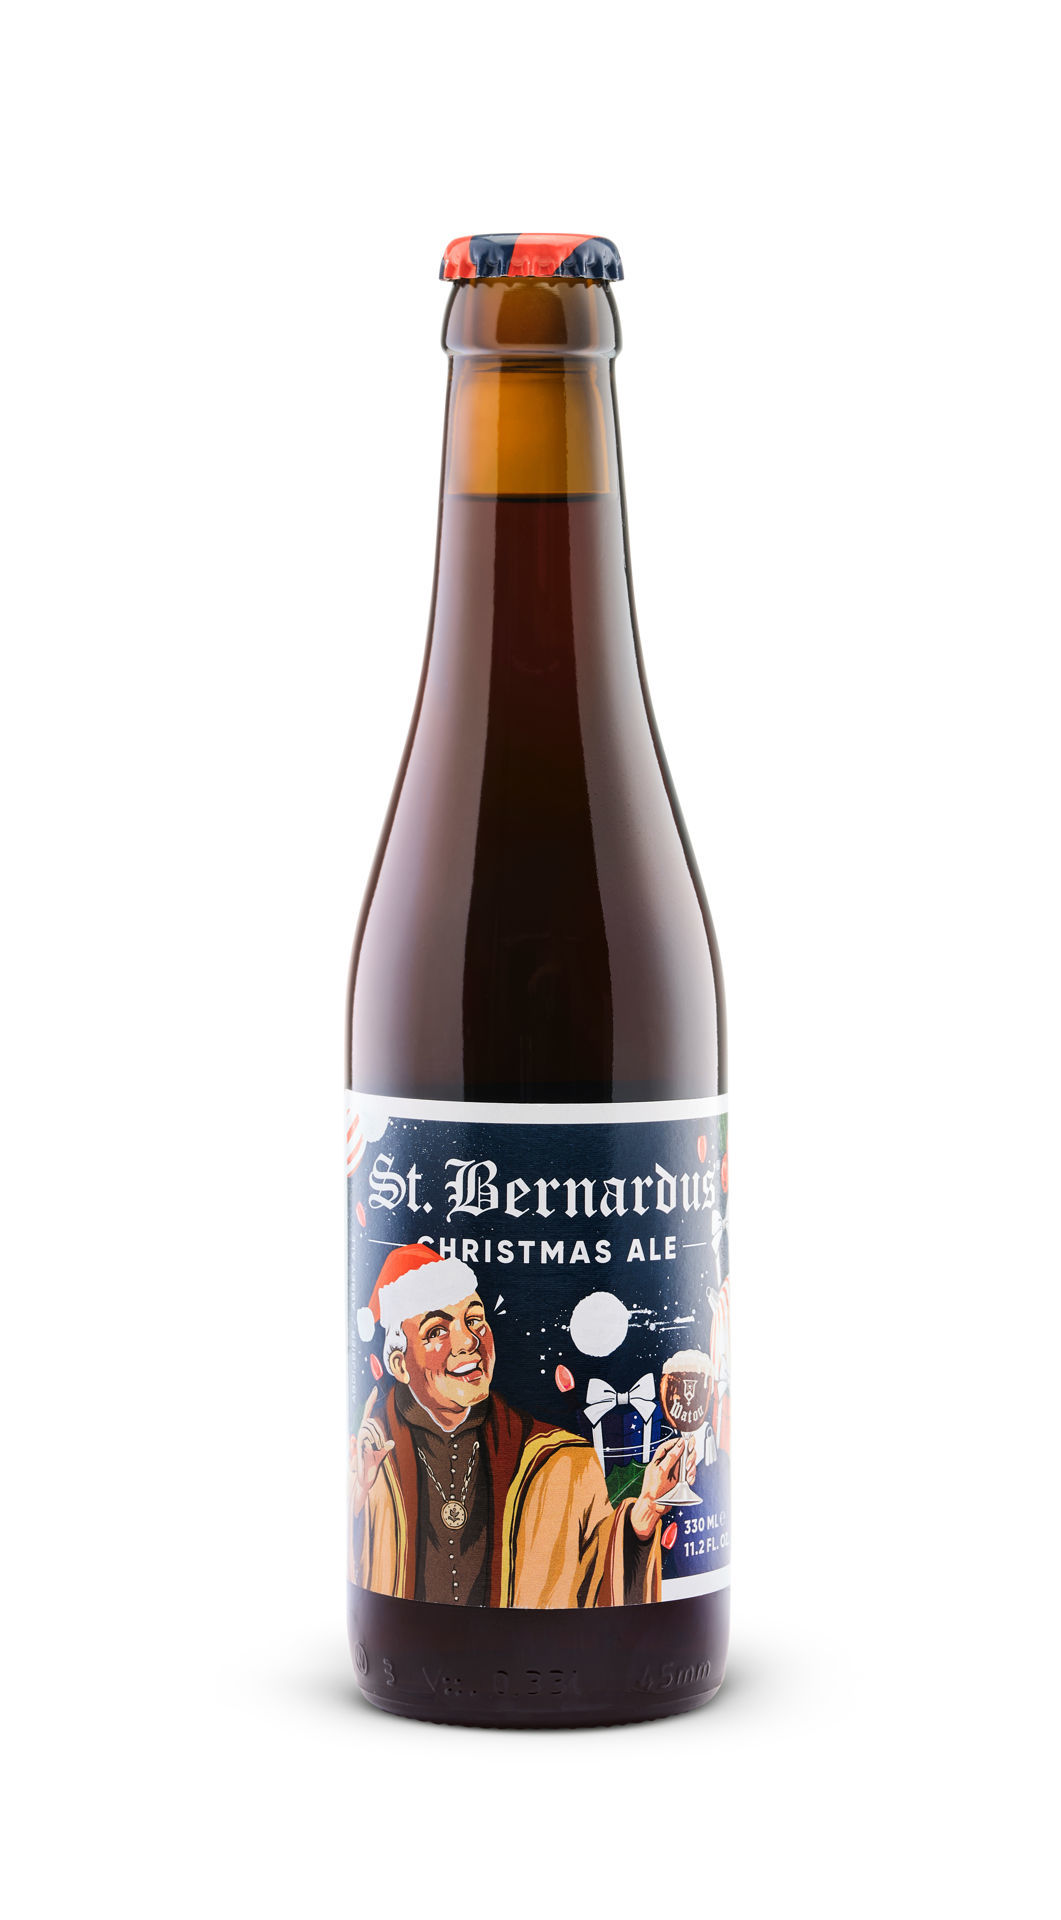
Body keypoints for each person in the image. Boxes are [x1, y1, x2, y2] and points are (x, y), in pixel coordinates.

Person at [350, 1243, 689, 1606]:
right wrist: (355, 1499)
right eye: (436, 1331)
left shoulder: (562, 1463)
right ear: (400, 1365)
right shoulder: (368, 1460)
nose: (468, 1341)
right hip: (403, 1632)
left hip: (561, 1641)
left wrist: (644, 1514)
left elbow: (598, 1578)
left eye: (475, 1320)